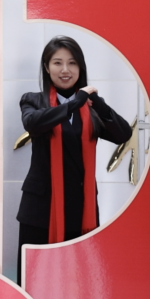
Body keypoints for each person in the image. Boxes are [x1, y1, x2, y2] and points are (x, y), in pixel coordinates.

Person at [16, 36, 131, 277]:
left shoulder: (90, 107)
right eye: (57, 63)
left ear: (81, 67)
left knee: (77, 278)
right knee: (35, 276)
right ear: (47, 67)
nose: (65, 70)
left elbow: (122, 134)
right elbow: (33, 124)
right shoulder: (33, 100)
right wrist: (73, 103)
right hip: (41, 209)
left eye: (72, 63)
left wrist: (98, 105)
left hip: (81, 207)